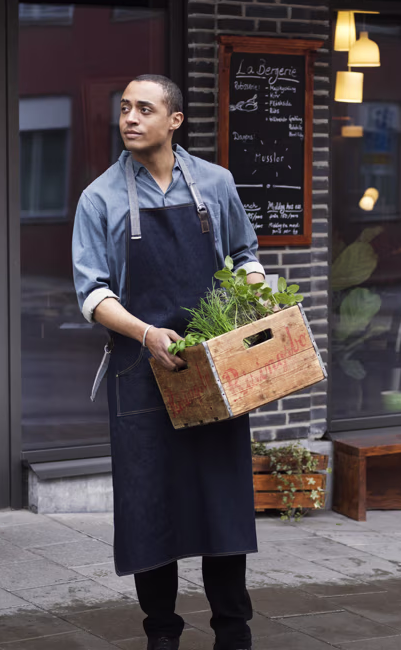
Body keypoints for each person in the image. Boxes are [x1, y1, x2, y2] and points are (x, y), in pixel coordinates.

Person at [72, 75, 264, 650]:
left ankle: (234, 632)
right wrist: (147, 333)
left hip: (214, 368)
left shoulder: (216, 183)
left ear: (174, 120)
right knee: (148, 506)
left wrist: (256, 296)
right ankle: (162, 635)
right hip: (141, 372)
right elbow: (91, 293)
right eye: (125, 108)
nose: (130, 118)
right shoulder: (99, 197)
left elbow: (244, 253)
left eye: (144, 109)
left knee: (221, 505)